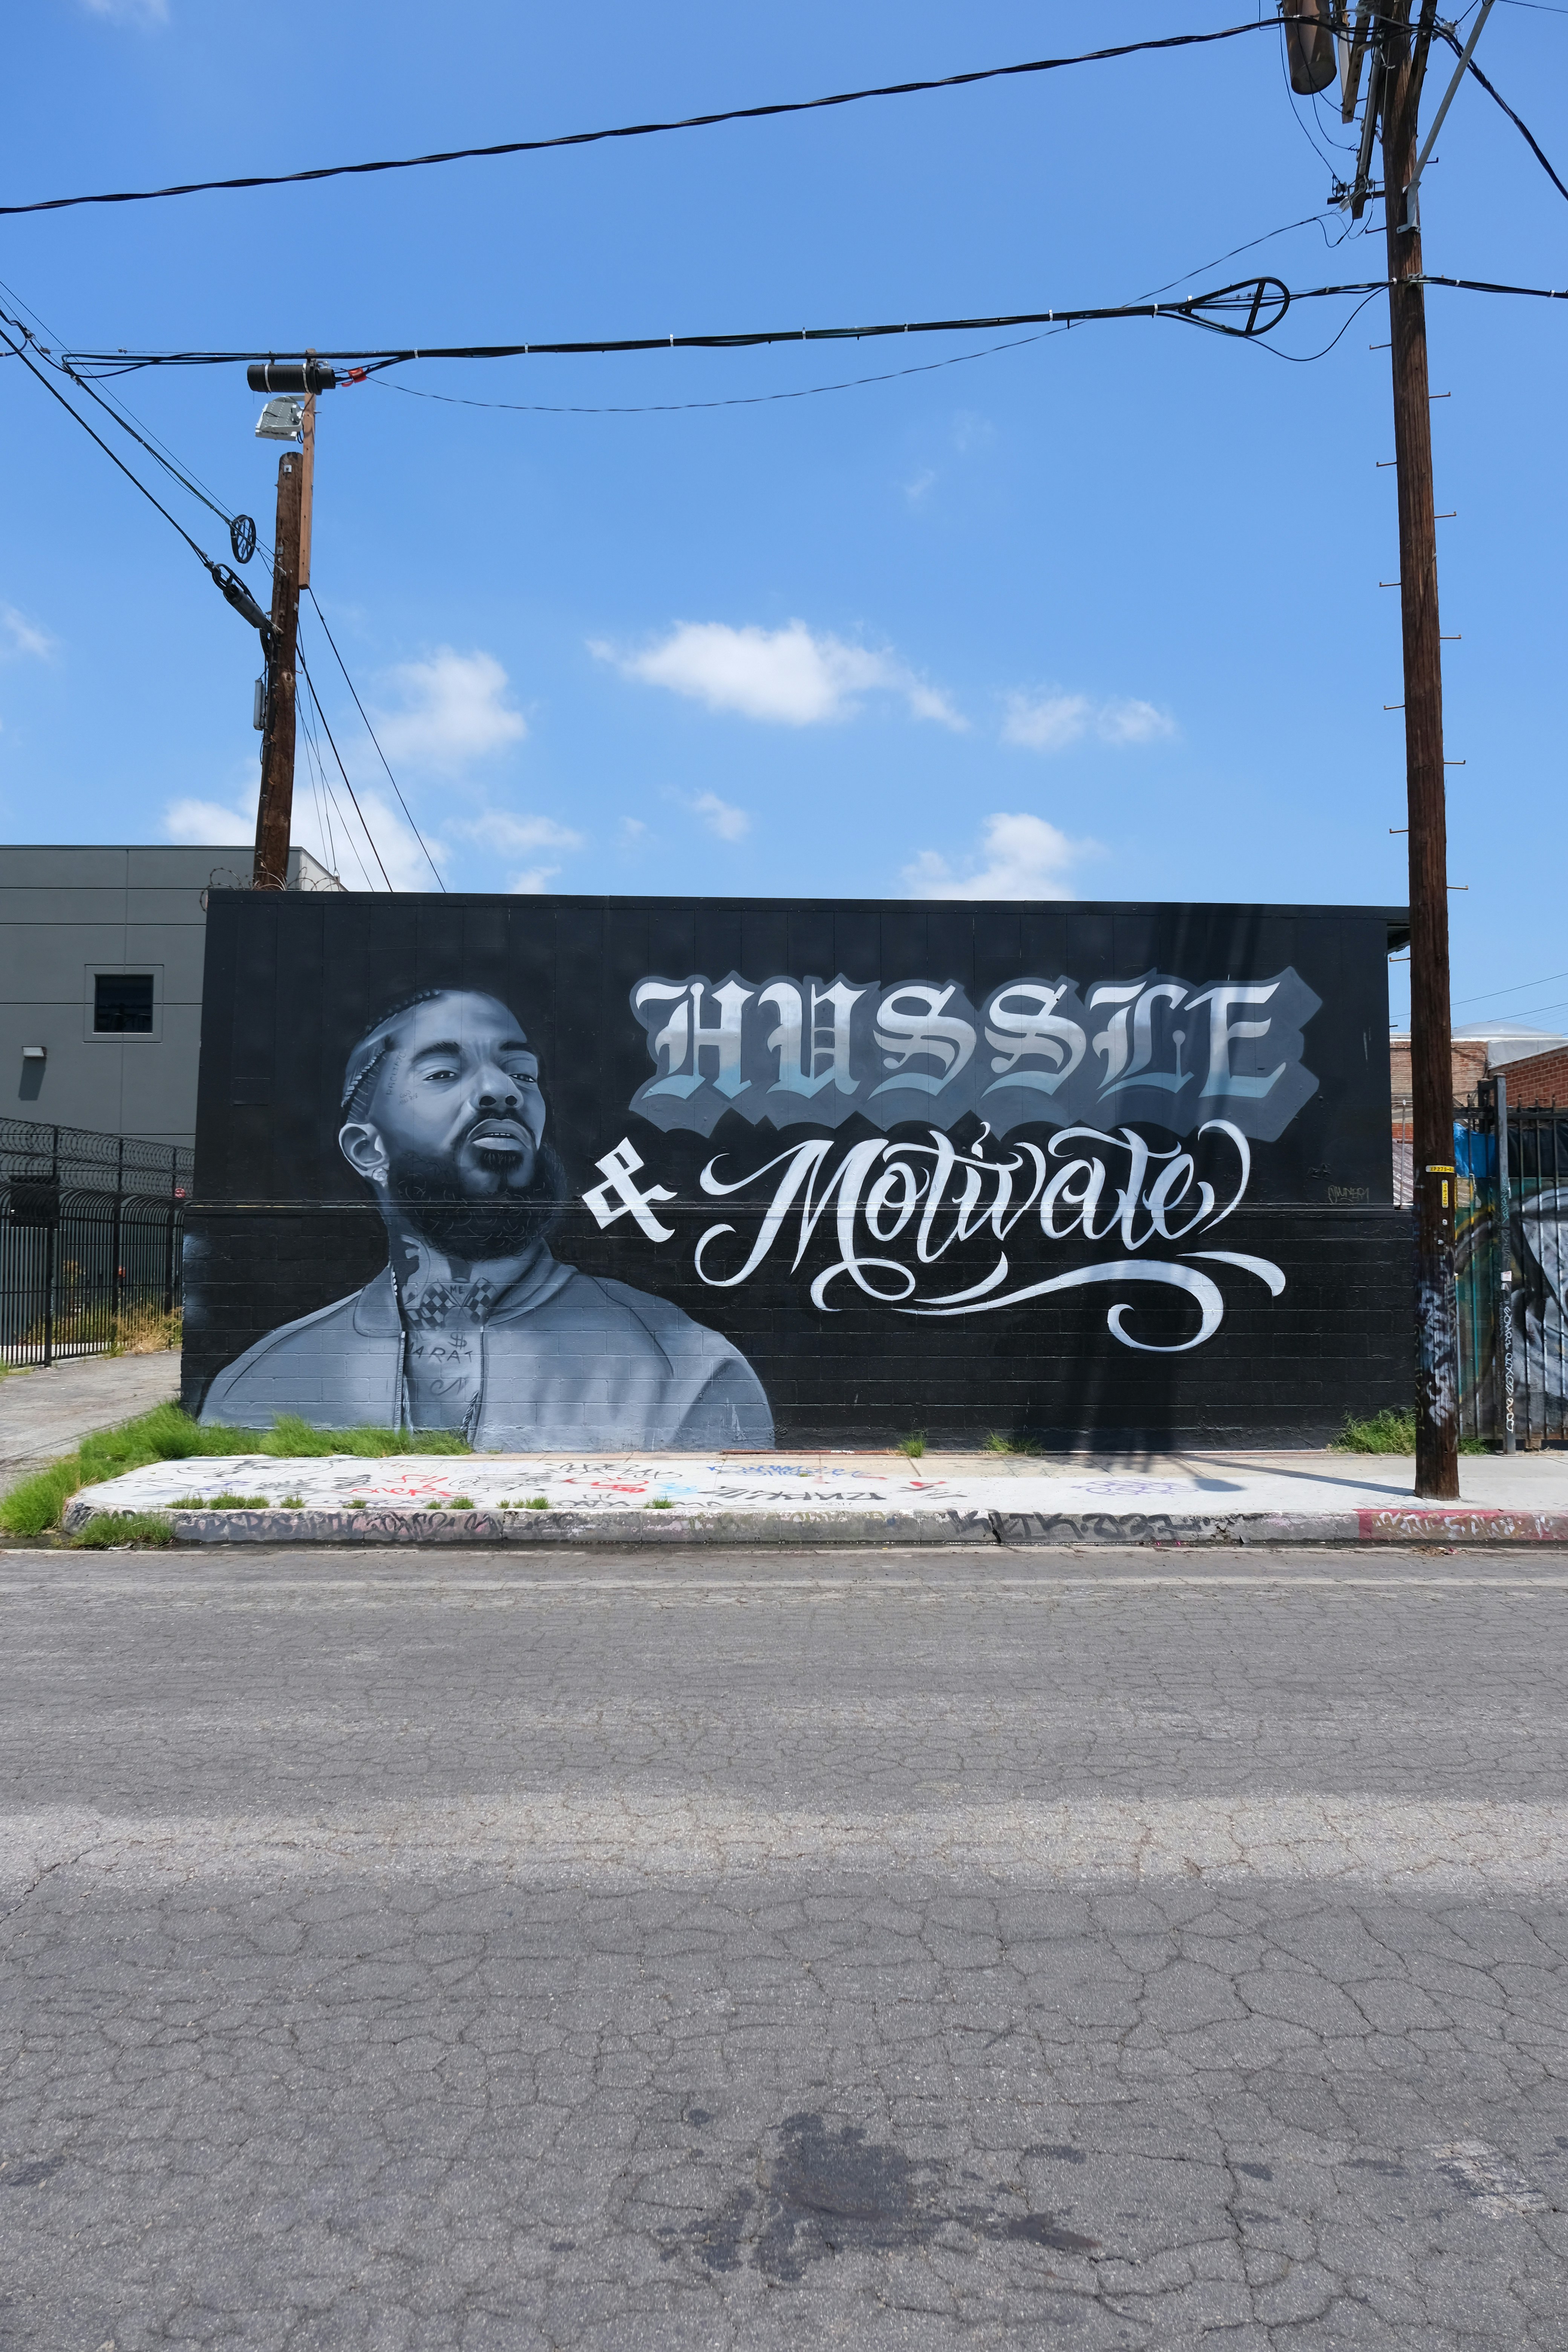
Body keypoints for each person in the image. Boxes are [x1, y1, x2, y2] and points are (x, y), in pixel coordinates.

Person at [200, 987, 774, 1448]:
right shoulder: (260, 1385)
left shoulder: (685, 1373)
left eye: (522, 1073)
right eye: (444, 1073)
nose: (501, 1091)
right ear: (367, 1150)